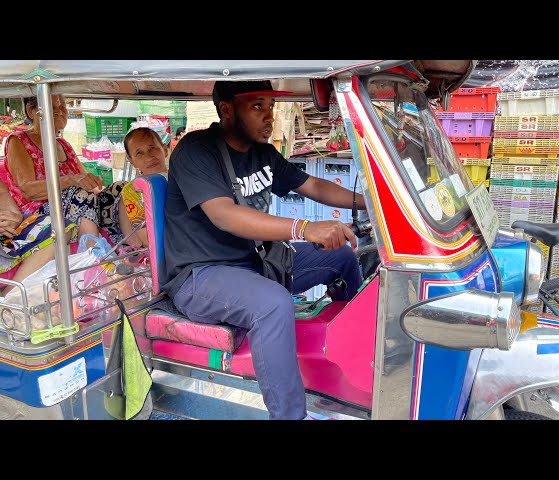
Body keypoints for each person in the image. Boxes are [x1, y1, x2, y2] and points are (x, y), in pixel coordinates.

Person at [161, 80, 366, 420]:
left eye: (270, 106)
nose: (269, 116)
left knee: (341, 257)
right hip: (200, 276)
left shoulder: (263, 153)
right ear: (227, 110)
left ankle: (350, 358)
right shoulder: (196, 151)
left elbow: (312, 184)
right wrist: (303, 227)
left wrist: (371, 203)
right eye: (257, 107)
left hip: (256, 262)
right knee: (273, 304)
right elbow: (224, 215)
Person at [3, 95, 125, 247]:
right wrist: (71, 181)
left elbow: (86, 181)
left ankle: (131, 249)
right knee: (80, 194)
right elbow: (28, 190)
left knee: (119, 189)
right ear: (31, 110)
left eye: (62, 107)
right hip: (36, 215)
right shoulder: (18, 141)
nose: (60, 112)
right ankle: (92, 256)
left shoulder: (63, 144)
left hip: (72, 207)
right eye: (53, 107)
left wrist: (97, 186)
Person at [0, 180, 75, 296]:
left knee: (57, 228)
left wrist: (11, 220)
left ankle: (9, 294)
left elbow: (14, 214)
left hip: (5, 235)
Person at [118, 127, 168, 247]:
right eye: (139, 153)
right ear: (131, 161)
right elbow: (147, 239)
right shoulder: (132, 191)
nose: (149, 156)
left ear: (165, 150)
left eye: (152, 148)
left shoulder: (183, 177)